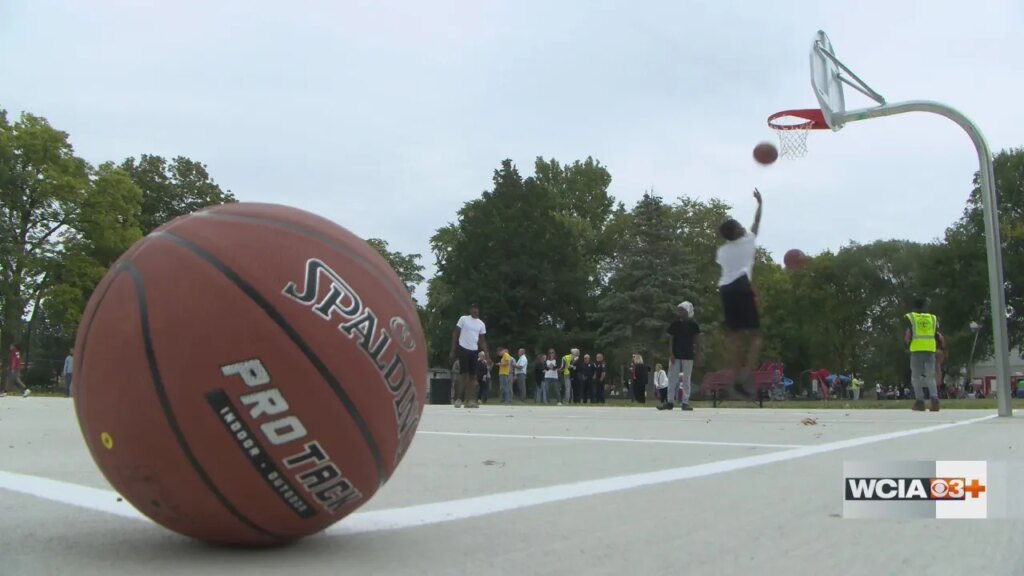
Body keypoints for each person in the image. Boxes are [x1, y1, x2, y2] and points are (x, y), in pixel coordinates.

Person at [715, 188, 763, 398]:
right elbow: (756, 223)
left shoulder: (722, 251)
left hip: (725, 289)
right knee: (755, 336)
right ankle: (745, 377)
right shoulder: (747, 241)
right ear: (737, 232)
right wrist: (760, 205)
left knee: (734, 337)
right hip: (741, 285)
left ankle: (734, 380)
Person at [449, 303, 487, 409]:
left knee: (473, 376)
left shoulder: (481, 324)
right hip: (463, 348)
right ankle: (458, 399)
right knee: (463, 374)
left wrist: (487, 355)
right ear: (470, 310)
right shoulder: (463, 319)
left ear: (478, 310)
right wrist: (453, 349)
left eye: (476, 308)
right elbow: (455, 333)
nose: (474, 310)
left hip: (474, 350)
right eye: (472, 308)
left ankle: (470, 400)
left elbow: (482, 341)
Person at [904, 298, 940, 412]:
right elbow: (938, 336)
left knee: (916, 377)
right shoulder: (932, 318)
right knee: (930, 376)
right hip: (930, 349)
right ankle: (935, 401)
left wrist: (907, 344)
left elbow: (907, 335)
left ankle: (920, 402)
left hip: (916, 350)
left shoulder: (912, 317)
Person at [666, 301, 700, 411]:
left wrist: (697, 354)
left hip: (688, 355)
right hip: (675, 355)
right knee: (672, 378)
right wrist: (671, 353)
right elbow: (671, 341)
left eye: (683, 310)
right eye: (679, 310)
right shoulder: (674, 325)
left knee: (686, 379)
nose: (680, 312)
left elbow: (696, 341)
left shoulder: (693, 325)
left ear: (688, 312)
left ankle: (685, 402)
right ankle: (670, 401)